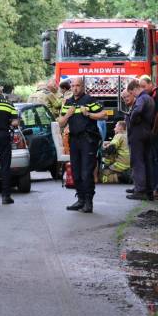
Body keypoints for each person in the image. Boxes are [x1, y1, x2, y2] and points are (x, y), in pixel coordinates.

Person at [58, 76, 107, 213]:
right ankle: (80, 199)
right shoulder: (68, 102)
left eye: (78, 85)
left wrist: (89, 114)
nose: (75, 88)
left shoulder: (89, 100)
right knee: (76, 172)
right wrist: (67, 115)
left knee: (86, 172)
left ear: (83, 86)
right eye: (73, 86)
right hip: (74, 140)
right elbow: (61, 122)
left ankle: (88, 202)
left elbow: (104, 115)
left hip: (88, 140)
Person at [125, 78, 155, 201]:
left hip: (138, 133)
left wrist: (132, 120)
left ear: (135, 89)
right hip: (147, 132)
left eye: (132, 93)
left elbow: (137, 111)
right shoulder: (149, 98)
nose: (133, 96)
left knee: (137, 162)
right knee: (146, 162)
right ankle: (148, 190)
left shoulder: (142, 99)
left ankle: (140, 190)